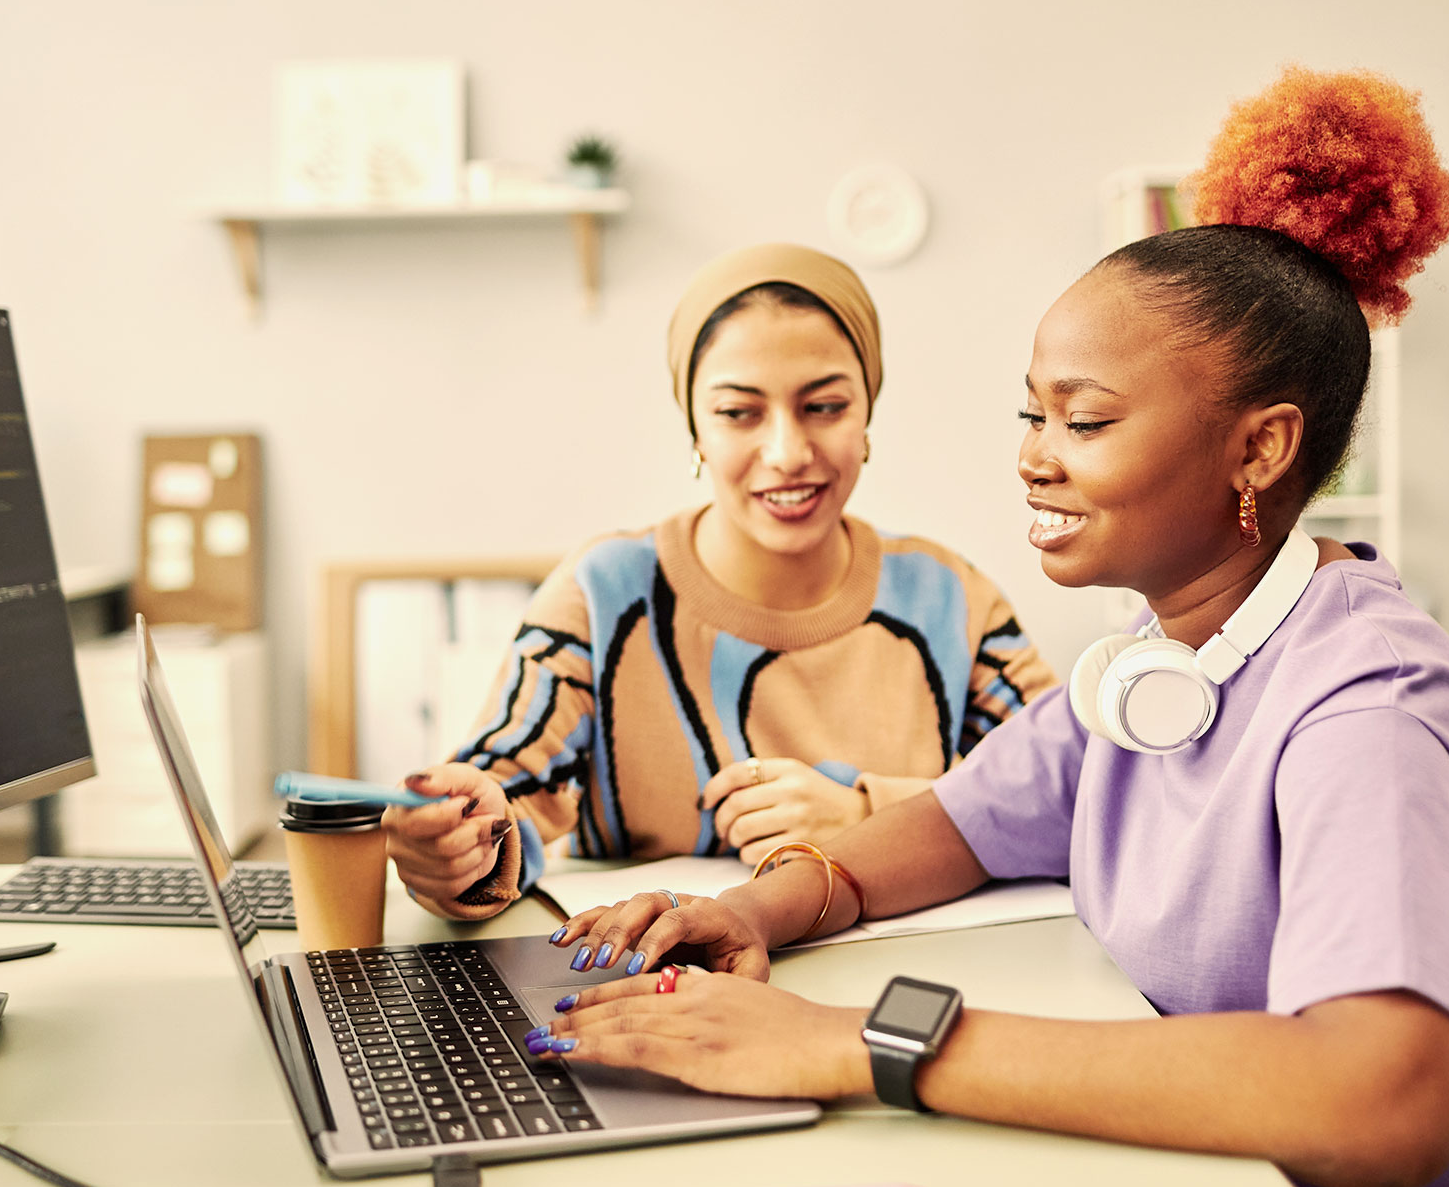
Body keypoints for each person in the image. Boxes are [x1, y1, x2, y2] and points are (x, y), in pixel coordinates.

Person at [527, 69, 1449, 1187]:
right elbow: (946, 829)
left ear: (1258, 450)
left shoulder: (1365, 715)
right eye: (1030, 414)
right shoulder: (1156, 670)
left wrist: (856, 1042)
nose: (1034, 455)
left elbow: (1382, 1102)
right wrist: (748, 911)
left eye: (1084, 420)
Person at [384, 243, 1055, 920]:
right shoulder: (606, 594)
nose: (789, 453)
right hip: (650, 992)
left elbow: (1080, 802)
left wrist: (867, 814)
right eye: (740, 413)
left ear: (867, 413)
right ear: (695, 429)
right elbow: (500, 803)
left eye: (824, 406)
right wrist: (456, 849)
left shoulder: (949, 598)